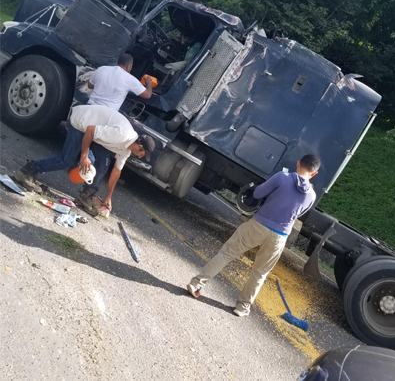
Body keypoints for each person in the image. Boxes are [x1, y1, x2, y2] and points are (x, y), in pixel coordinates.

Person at [187, 154, 320, 316]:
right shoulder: (311, 196)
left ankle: (196, 284)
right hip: (280, 237)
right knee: (260, 273)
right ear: (314, 174)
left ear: (298, 163)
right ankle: (242, 307)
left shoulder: (282, 177)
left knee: (226, 254)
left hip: (258, 225)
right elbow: (300, 213)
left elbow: (257, 194)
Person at [16, 104, 155, 214]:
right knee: (66, 160)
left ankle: (86, 195)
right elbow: (89, 130)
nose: (141, 157)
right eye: (143, 154)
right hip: (81, 122)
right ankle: (28, 170)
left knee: (104, 164)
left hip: (95, 132)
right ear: (140, 146)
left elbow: (116, 172)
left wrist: (108, 197)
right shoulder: (122, 135)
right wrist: (84, 156)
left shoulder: (127, 150)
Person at [87, 53, 153, 110]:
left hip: (90, 106)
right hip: (106, 113)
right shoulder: (130, 79)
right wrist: (149, 83)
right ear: (129, 66)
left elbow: (90, 86)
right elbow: (147, 95)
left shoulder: (102, 69)